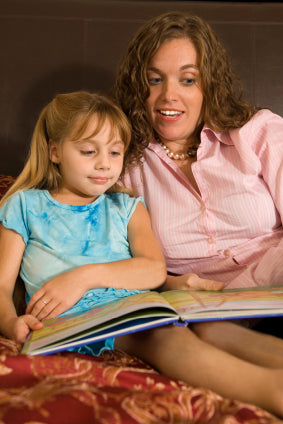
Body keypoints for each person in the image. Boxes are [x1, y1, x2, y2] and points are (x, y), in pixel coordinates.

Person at [1, 91, 283, 417]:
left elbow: (153, 270)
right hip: (77, 322)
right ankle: (270, 390)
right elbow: (2, 287)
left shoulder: (126, 206)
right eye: (89, 151)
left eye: (116, 152)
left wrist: (83, 277)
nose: (104, 164)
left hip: (134, 306)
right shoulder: (23, 206)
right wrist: (11, 323)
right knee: (165, 339)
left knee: (211, 327)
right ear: (54, 151)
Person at [113, 10, 283, 415]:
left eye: (188, 80)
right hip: (203, 312)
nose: (169, 96)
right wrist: (172, 282)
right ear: (138, 87)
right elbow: (115, 258)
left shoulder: (258, 132)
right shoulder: (120, 163)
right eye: (154, 80)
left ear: (209, 84)